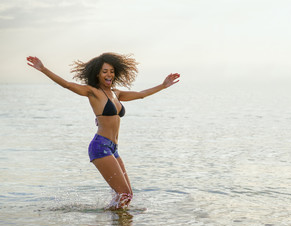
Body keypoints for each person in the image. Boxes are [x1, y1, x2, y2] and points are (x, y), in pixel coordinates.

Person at [26, 53, 180, 209]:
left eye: (112, 71)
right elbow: (67, 84)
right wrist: (43, 69)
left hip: (113, 149)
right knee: (124, 195)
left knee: (127, 196)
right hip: (100, 146)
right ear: (98, 74)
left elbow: (141, 95)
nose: (109, 74)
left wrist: (163, 85)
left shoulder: (116, 93)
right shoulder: (93, 92)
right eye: (105, 71)